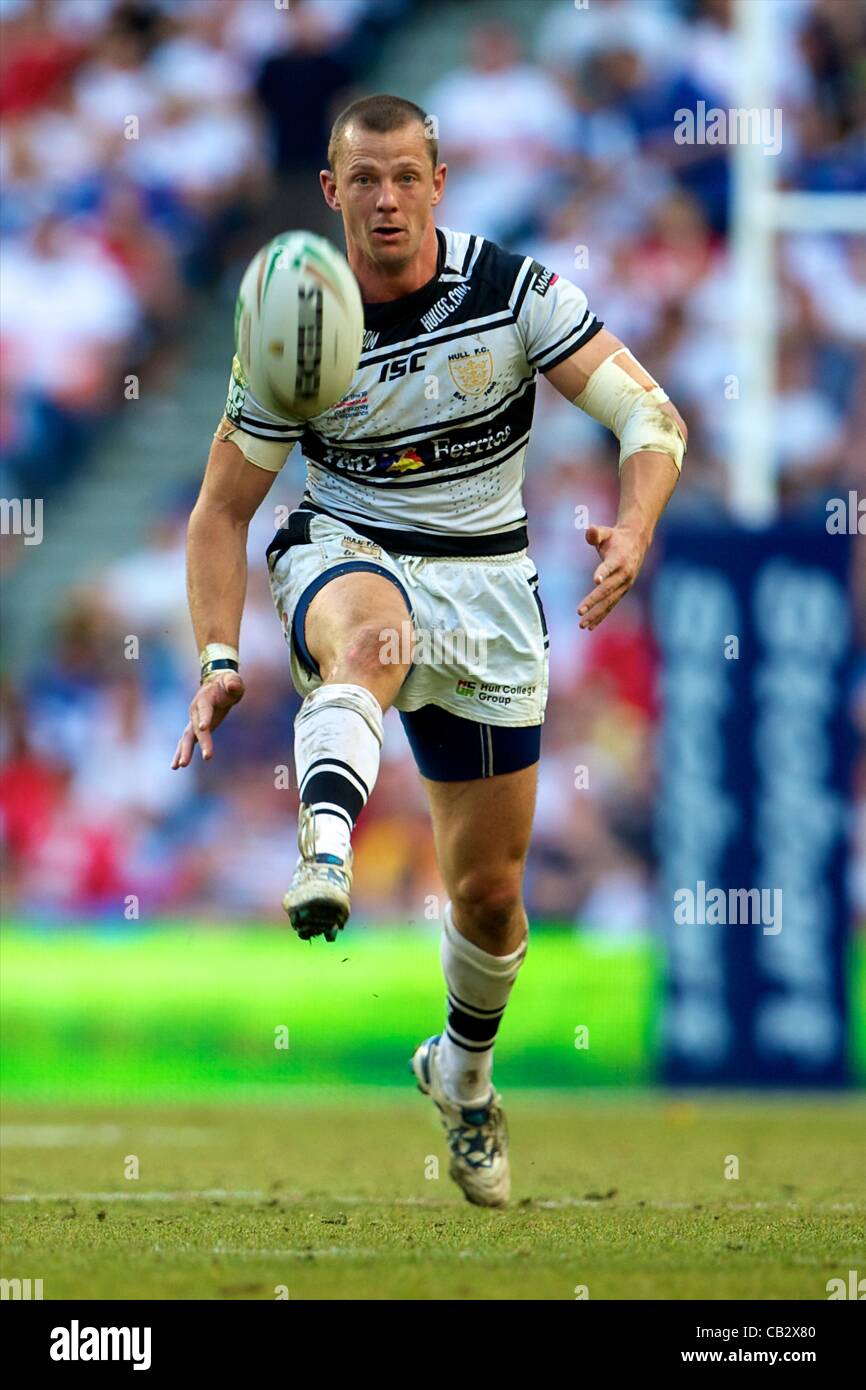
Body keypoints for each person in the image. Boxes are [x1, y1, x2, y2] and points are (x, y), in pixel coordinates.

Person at [171, 95, 687, 1208]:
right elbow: (220, 513)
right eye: (364, 180)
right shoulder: (294, 324)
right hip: (348, 545)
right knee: (372, 635)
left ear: (439, 181)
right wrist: (218, 656)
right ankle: (322, 853)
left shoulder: (512, 292)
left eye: (406, 176)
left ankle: (460, 1077)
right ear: (330, 191)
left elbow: (651, 419)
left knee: (490, 895)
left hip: (493, 585)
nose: (387, 199)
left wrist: (634, 524)